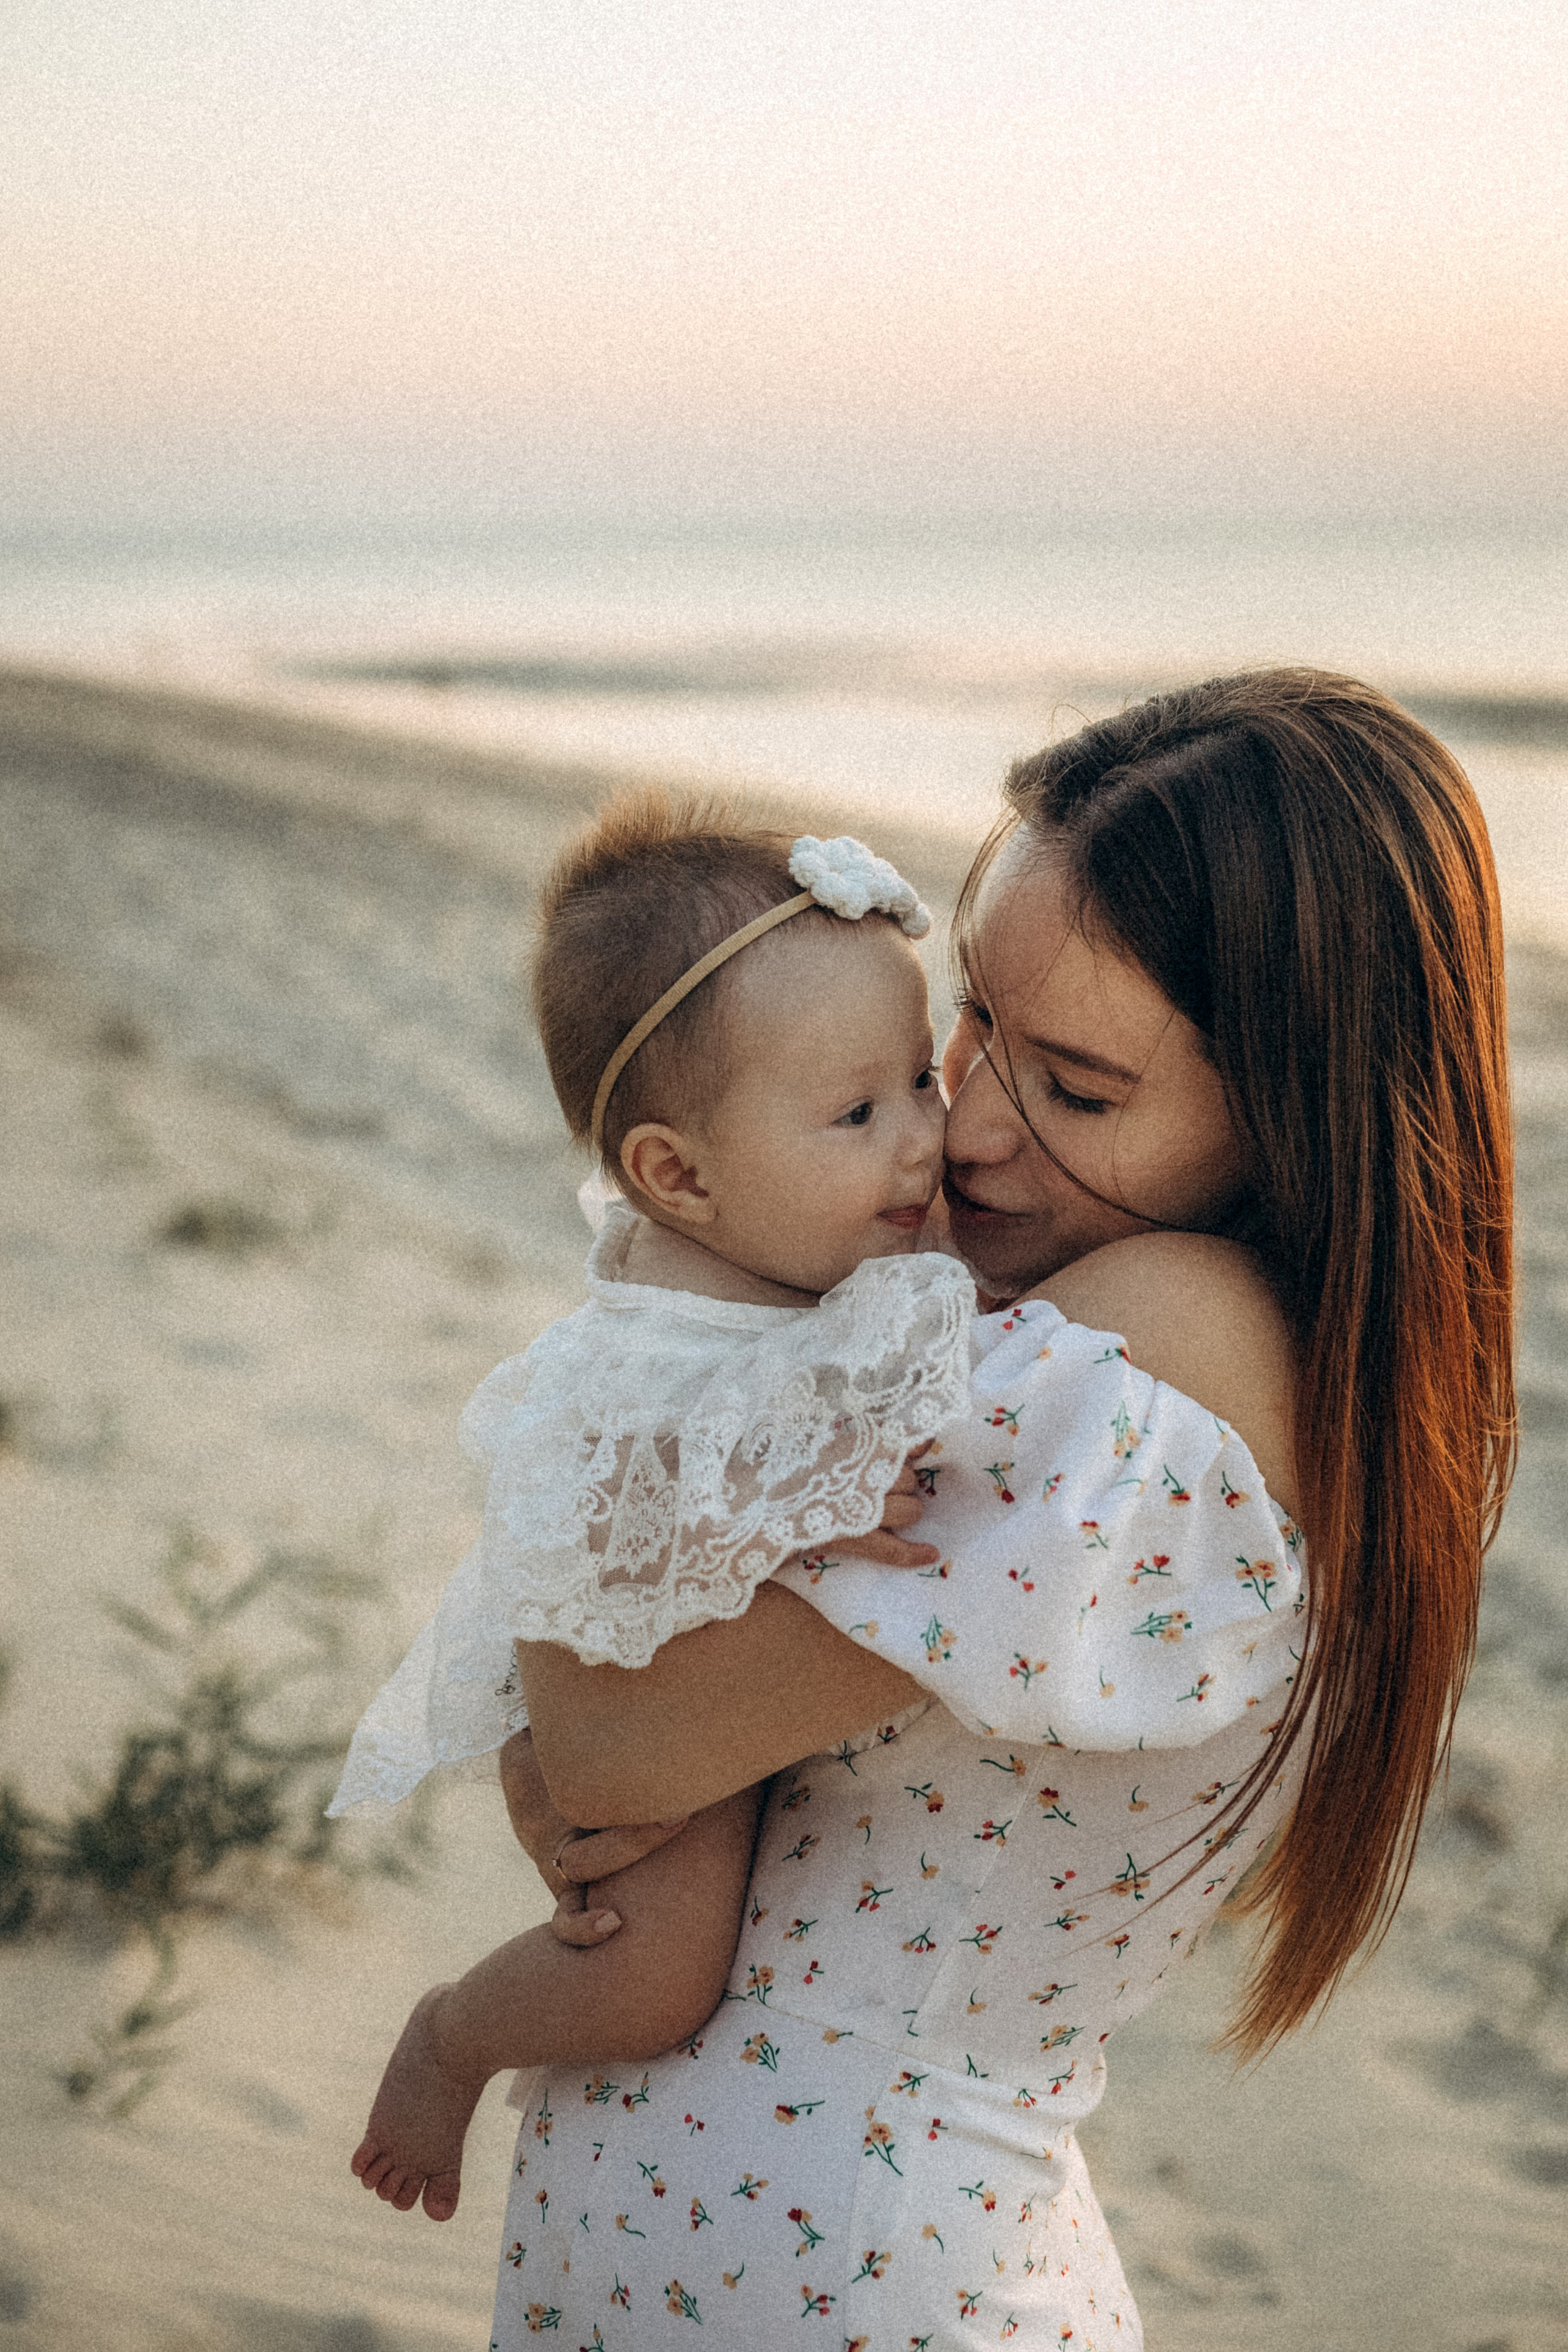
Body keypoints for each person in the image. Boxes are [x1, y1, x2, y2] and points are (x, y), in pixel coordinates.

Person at [492, 669, 1514, 2348]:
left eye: (1077, 1089)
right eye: (972, 1020)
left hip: (864, 2276)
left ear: (1297, 1113)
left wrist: (563, 1740)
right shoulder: (1053, 1326)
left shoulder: (1161, 1355)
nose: (963, 1125)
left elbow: (602, 1744)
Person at [333, 804, 985, 2218]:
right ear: (675, 1174)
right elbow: (630, 1513)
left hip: (684, 1670)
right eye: (858, 1115)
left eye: (920, 1077)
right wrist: (805, 1501)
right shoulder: (666, 1330)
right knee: (650, 1977)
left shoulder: (780, 1230)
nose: (923, 1140)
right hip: (633, 1650)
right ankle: (454, 2037)